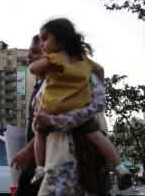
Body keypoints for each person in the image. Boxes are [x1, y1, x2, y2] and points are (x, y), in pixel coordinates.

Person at [21, 18, 114, 196]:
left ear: (61, 41)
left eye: (44, 40)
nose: (40, 47)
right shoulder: (49, 77)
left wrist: (57, 120)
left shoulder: (82, 69)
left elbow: (97, 104)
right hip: (57, 151)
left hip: (69, 153)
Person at [30, 18, 130, 184]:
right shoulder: (82, 58)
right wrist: (91, 83)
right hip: (79, 108)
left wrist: (47, 64)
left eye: (45, 38)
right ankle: (120, 167)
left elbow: (33, 69)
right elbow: (100, 70)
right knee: (97, 137)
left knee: (40, 133)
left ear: (60, 40)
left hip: (53, 109)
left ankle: (40, 168)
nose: (42, 44)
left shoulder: (53, 58)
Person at [12, 35, 83, 196]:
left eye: (35, 50)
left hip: (56, 158)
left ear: (48, 55)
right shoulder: (38, 84)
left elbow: (51, 125)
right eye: (30, 51)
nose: (30, 55)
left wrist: (26, 150)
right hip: (40, 160)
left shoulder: (55, 80)